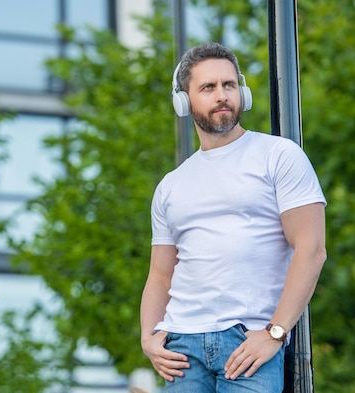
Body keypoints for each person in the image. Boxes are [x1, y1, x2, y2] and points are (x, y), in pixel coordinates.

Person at [140, 42, 327, 392]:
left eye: (228, 85)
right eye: (208, 88)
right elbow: (161, 274)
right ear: (183, 100)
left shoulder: (279, 156)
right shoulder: (170, 186)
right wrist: (148, 338)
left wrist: (275, 332)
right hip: (182, 347)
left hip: (248, 344)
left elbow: (311, 249)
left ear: (242, 91)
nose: (221, 95)